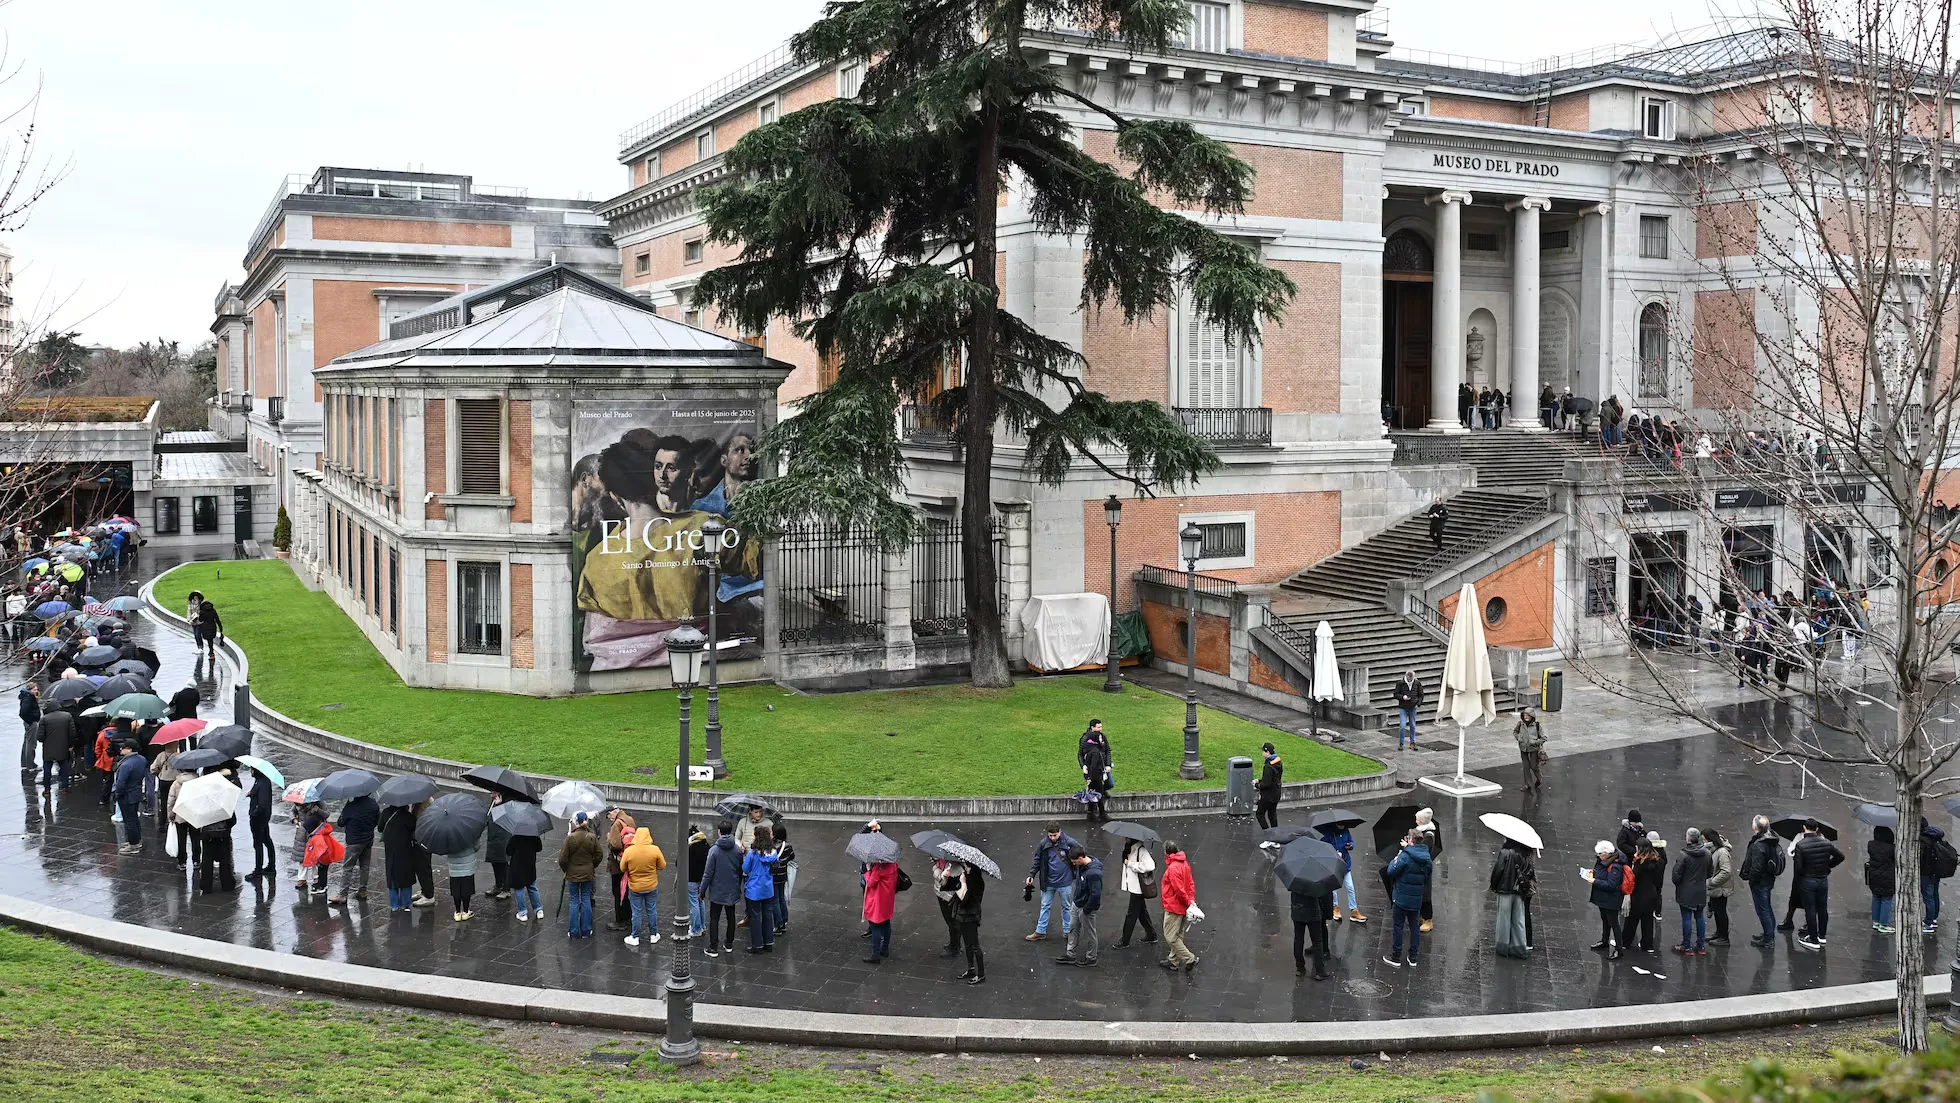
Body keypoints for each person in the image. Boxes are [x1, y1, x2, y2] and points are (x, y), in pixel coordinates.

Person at [1382, 827, 1431, 968]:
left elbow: (1391, 871)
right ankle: (1413, 957)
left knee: (1398, 926)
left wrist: (1397, 857)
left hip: (1401, 899)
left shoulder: (1405, 856)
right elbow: (1427, 877)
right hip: (1416, 899)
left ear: (1410, 840)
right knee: (1414, 927)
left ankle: (1396, 957)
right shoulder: (1426, 857)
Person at [1792, 818, 1844, 949]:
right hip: (1822, 880)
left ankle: (1813, 939)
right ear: (1817, 829)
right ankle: (1822, 936)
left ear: (1804, 828)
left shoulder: (1801, 845)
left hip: (1808, 881)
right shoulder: (1826, 843)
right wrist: (1828, 867)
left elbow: (1798, 868)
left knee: (1810, 909)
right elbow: (1840, 856)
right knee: (1822, 908)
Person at [1024, 822, 1079, 941]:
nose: (1053, 838)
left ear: (1060, 832)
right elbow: (1037, 860)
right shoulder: (1044, 844)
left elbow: (1080, 855)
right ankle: (1041, 931)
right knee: (1045, 906)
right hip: (1048, 882)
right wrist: (1031, 875)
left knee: (1066, 906)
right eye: (1050, 835)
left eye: (1055, 835)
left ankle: (1067, 930)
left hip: (1064, 881)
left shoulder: (1070, 843)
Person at [1738, 814, 1785, 947]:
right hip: (1768, 880)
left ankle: (1768, 939)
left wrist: (1752, 881)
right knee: (1767, 908)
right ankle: (1768, 934)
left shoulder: (1759, 845)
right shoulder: (1771, 840)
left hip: (1760, 883)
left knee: (1763, 910)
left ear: (1755, 827)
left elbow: (1756, 868)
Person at [699, 820, 744, 956]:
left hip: (717, 890)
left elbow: (708, 873)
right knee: (731, 916)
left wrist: (702, 890)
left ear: (719, 832)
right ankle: (729, 943)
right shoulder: (737, 849)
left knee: (714, 917)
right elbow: (740, 869)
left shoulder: (714, 850)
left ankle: (713, 947)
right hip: (732, 889)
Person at [620, 826, 667, 947]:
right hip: (651, 885)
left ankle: (635, 937)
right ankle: (653, 935)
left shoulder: (630, 851)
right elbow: (662, 865)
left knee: (636, 912)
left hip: (635, 887)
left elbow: (622, 867)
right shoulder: (655, 849)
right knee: (651, 910)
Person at [1057, 845, 1103, 967]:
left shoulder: (1093, 873)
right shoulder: (1081, 866)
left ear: (1081, 858)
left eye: (1074, 861)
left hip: (1086, 907)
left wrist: (1087, 910)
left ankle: (1091, 957)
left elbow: (1096, 894)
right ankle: (1070, 954)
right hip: (1077, 903)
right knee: (1073, 928)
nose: (1073, 864)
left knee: (1090, 933)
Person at [559, 811, 603, 937]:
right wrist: (591, 865)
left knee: (573, 901)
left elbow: (563, 858)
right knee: (586, 900)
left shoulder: (570, 838)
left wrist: (566, 869)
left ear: (576, 822)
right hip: (587, 874)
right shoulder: (591, 837)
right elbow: (599, 855)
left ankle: (573, 931)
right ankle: (586, 930)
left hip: (572, 874)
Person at [331, 791, 379, 905]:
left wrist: (346, 808)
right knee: (365, 866)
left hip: (354, 842)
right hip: (368, 840)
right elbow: (377, 821)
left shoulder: (351, 806)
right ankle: (362, 891)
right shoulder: (373, 804)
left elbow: (340, 823)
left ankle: (343, 895)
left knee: (348, 867)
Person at [1620, 833, 1665, 953]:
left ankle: (1625, 942)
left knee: (1632, 920)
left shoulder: (1640, 863)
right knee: (1647, 921)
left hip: (1638, 895)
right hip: (1651, 895)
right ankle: (1647, 945)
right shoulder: (1658, 861)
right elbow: (1658, 880)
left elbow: (1634, 878)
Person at [1159, 840, 1199, 972]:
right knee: (1178, 934)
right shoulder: (1184, 864)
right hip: (1183, 906)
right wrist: (1191, 900)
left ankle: (1190, 958)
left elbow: (1179, 889)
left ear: (1166, 852)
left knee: (1170, 936)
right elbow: (1190, 883)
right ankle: (1173, 960)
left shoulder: (1172, 868)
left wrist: (1187, 902)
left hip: (1174, 906)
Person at [196, 768, 238, 893]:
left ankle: (206, 885)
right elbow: (232, 819)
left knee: (207, 861)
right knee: (225, 860)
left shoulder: (204, 799)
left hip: (207, 833)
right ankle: (227, 884)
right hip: (223, 833)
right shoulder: (226, 798)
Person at [1672, 827, 1713, 955]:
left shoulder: (1684, 855)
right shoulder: (1707, 853)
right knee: (1699, 916)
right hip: (1700, 890)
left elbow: (1676, 876)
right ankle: (1700, 946)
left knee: (1687, 918)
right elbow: (1710, 872)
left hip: (1686, 891)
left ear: (1688, 838)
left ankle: (1687, 946)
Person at [1490, 839, 1533, 959]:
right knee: (1518, 919)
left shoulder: (1505, 852)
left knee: (1503, 919)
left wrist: (1494, 886)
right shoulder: (1525, 853)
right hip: (1519, 890)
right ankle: (1519, 947)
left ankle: (1503, 946)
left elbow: (1498, 870)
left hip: (1505, 889)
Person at [1588, 840, 1630, 958]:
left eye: (1600, 854)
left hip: (1611, 900)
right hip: (1603, 898)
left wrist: (1595, 881)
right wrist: (1594, 873)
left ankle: (1619, 949)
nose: (1598, 856)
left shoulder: (1616, 866)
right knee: (1605, 920)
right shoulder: (1603, 861)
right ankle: (1604, 940)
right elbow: (1602, 873)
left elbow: (1611, 885)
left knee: (1613, 923)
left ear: (1607, 854)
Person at [1319, 818, 1366, 924]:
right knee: (1334, 889)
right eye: (1340, 825)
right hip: (1334, 865)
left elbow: (1351, 841)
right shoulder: (1328, 834)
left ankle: (1354, 911)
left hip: (1345, 864)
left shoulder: (1346, 831)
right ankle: (1335, 908)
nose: (1342, 827)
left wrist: (1350, 845)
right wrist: (1334, 853)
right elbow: (1323, 846)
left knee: (1350, 887)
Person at [741, 825, 779, 953]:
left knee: (755, 917)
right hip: (768, 889)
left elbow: (745, 869)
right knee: (768, 915)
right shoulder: (773, 852)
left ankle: (757, 945)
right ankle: (769, 942)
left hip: (754, 890)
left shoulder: (753, 854)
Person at [1115, 838, 1159, 947]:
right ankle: (1151, 935)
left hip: (1138, 888)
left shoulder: (1141, 850)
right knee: (1141, 912)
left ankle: (1125, 941)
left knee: (1131, 915)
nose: (1125, 838)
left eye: (1127, 837)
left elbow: (1150, 865)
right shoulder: (1129, 848)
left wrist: (1130, 864)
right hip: (1134, 886)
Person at [378, 797, 417, 910]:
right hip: (405, 851)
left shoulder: (385, 813)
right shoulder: (409, 817)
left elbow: (380, 828)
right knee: (406, 876)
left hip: (390, 851)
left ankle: (394, 905)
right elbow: (413, 829)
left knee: (392, 876)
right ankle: (405, 903)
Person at [1291, 880, 1334, 979]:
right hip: (1312, 913)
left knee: (1298, 939)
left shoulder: (1294, 875)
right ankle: (1319, 971)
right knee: (1317, 941)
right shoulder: (1315, 877)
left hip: (1297, 911)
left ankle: (1300, 967)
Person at [604, 807, 637, 932]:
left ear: (613, 812)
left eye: (608, 815)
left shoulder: (616, 824)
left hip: (618, 865)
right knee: (626, 891)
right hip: (629, 861)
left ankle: (620, 920)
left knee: (617, 892)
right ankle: (628, 918)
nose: (609, 818)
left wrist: (609, 839)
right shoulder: (630, 819)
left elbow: (616, 845)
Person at [111, 740, 147, 854]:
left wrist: (117, 794)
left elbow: (121, 782)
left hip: (126, 795)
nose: (121, 749)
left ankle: (134, 845)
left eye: (123, 748)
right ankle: (136, 840)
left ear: (130, 749)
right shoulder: (142, 759)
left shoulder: (126, 764)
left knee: (129, 820)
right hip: (136, 793)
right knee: (134, 819)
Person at [1921, 818, 1956, 934]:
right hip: (1936, 872)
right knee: (1934, 895)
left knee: (1928, 897)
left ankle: (1928, 923)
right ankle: (1933, 918)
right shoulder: (1934, 837)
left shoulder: (1923, 840)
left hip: (1926, 873)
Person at [862, 857, 899, 964]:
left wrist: (869, 870)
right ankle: (885, 949)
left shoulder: (879, 868)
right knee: (886, 923)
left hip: (877, 901)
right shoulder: (893, 865)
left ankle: (875, 954)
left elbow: (871, 882)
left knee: (875, 926)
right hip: (887, 900)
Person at [955, 860, 986, 984]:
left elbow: (965, 899)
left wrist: (963, 884)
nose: (965, 869)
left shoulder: (975, 883)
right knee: (967, 944)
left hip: (970, 916)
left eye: (967, 866)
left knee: (974, 945)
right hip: (964, 916)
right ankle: (971, 969)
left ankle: (981, 973)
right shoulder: (970, 878)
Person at [1078, 723, 1112, 824]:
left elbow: (1107, 751)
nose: (1102, 739)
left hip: (1095, 775)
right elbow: (1093, 765)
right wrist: (1090, 777)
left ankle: (1094, 813)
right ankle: (1098, 814)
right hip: (1096, 776)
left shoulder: (1093, 748)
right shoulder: (1095, 751)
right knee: (1097, 794)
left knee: (1095, 794)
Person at [1706, 828, 1735, 946]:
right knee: (1717, 912)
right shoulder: (1714, 850)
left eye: (1704, 840)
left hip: (1720, 888)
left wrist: (1712, 882)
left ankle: (1724, 937)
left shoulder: (1722, 852)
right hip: (1716, 888)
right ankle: (1719, 933)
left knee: (1721, 912)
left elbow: (1726, 871)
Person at [1868, 825, 1898, 934]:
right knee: (1886, 899)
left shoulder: (1871, 845)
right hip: (1887, 877)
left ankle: (1875, 921)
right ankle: (1884, 924)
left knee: (1876, 897)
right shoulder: (1892, 848)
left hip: (1873, 876)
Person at [36, 693, 68, 792]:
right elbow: (72, 732)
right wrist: (70, 744)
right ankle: (65, 787)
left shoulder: (44, 719)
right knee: (64, 767)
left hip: (48, 748)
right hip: (63, 746)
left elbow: (40, 736)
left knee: (47, 769)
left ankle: (47, 789)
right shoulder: (67, 716)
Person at [934, 858, 965, 957]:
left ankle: (955, 947)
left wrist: (936, 870)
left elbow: (943, 882)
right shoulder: (942, 861)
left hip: (949, 897)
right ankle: (953, 943)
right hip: (942, 894)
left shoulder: (954, 866)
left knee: (952, 921)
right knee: (950, 921)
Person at [1512, 709, 1546, 794]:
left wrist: (1534, 742)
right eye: (1524, 715)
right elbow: (1515, 732)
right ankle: (1527, 784)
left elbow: (1544, 738)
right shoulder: (1520, 724)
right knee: (1526, 767)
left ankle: (1539, 778)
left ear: (1532, 716)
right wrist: (1519, 738)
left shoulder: (1537, 725)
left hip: (1534, 749)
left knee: (1533, 766)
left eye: (1528, 715)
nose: (1526, 717)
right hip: (1523, 748)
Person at [686, 824, 711, 937]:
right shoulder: (707, 847)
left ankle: (696, 929)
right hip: (703, 880)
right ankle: (702, 926)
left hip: (691, 879)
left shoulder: (690, 848)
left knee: (694, 904)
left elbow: (678, 862)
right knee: (701, 902)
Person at [771, 825, 797, 932]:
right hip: (783, 876)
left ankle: (778, 923)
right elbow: (792, 856)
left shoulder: (771, 846)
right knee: (782, 898)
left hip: (773, 876)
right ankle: (785, 919)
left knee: (775, 900)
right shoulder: (787, 846)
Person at [1254, 742, 1283, 829]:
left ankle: (1267, 833)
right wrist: (1259, 780)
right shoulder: (1278, 762)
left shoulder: (1267, 766)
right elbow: (1273, 779)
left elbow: (1266, 784)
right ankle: (1275, 833)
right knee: (1272, 814)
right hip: (1276, 793)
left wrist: (1257, 784)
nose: (1262, 753)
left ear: (1267, 752)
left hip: (1268, 796)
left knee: (1259, 814)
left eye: (1263, 751)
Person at [1392, 670, 1423, 751]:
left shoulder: (1417, 683)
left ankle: (1413, 742)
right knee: (1402, 726)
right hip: (1403, 707)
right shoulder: (1400, 683)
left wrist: (1418, 703)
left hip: (1413, 707)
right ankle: (1401, 743)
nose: (1410, 680)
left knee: (1413, 725)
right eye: (1409, 679)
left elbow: (1421, 694)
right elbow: (1395, 694)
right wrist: (1403, 697)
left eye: (1411, 679)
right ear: (1406, 676)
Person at [17, 681, 38, 775]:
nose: (36, 691)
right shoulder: (28, 699)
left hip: (29, 723)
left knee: (27, 743)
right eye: (34, 689)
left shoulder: (27, 697)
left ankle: (25, 764)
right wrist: (31, 720)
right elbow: (23, 713)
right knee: (31, 744)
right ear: (30, 690)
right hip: (31, 723)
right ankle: (31, 765)